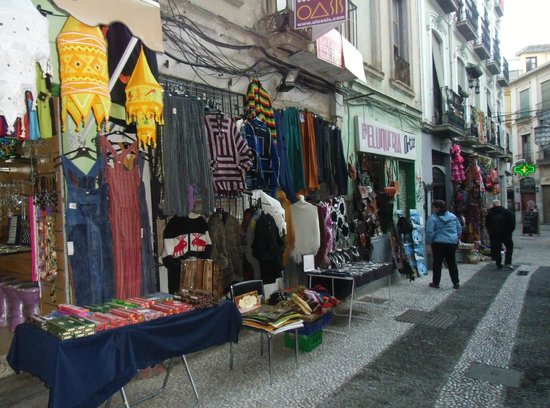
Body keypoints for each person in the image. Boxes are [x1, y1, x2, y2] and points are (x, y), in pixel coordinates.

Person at [425, 200, 462, 289]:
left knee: (437, 264)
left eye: (433, 207)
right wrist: (455, 238)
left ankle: (436, 283)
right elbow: (459, 229)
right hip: (451, 243)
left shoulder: (433, 218)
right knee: (452, 263)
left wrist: (429, 242)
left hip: (438, 244)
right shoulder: (453, 216)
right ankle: (456, 282)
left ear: (438, 208)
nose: (432, 209)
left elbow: (429, 232)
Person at [486, 199, 515, 270]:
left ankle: (498, 263)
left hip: (495, 234)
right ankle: (508, 262)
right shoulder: (508, 212)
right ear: (500, 204)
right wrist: (509, 231)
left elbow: (487, 225)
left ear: (493, 205)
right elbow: (512, 224)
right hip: (506, 234)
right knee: (509, 247)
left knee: (497, 248)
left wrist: (490, 231)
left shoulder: (489, 214)